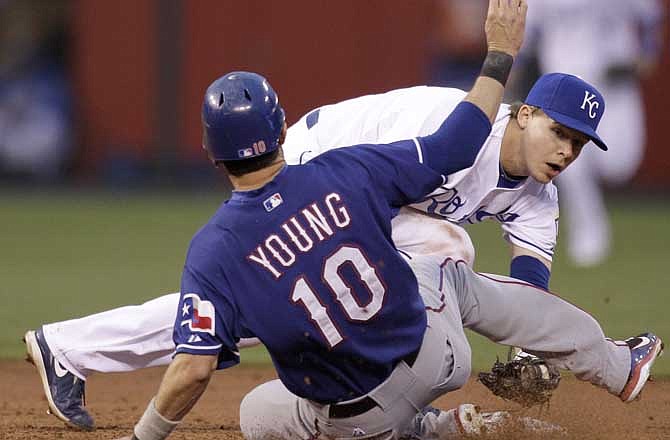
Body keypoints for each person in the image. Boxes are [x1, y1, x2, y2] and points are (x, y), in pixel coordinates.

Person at [22, 4, 647, 435]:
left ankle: (67, 347)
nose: (567, 151)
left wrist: (524, 355)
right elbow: (405, 166)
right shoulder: (454, 121)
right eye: (560, 132)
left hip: (374, 194)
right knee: (423, 252)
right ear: (524, 114)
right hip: (315, 162)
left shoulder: (540, 197)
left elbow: (524, 291)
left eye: (581, 143)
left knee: (275, 301)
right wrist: (497, 55)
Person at [514, 0, 665, 267]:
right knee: (569, 158)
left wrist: (647, 53)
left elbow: (652, 17)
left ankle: (591, 219)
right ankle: (589, 230)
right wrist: (513, 71)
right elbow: (529, 33)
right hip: (567, 83)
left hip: (615, 80)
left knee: (619, 164)